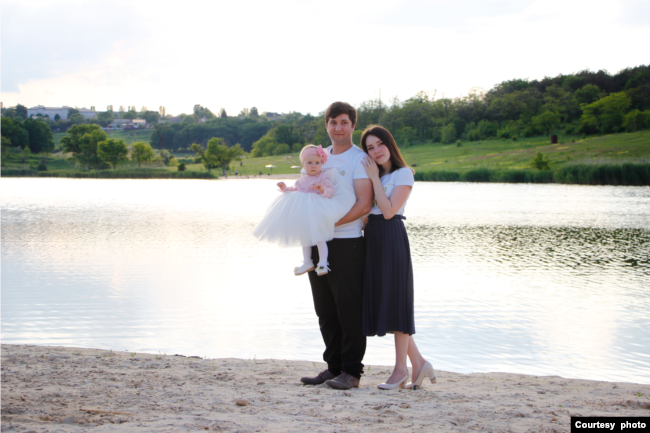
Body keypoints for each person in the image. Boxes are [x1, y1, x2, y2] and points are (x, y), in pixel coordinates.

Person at [300, 102, 372, 390]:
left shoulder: (359, 159)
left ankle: (352, 372)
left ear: (353, 125)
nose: (338, 128)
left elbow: (364, 203)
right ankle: (333, 368)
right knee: (325, 309)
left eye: (344, 122)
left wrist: (331, 223)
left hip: (347, 243)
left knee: (348, 309)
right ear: (326, 126)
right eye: (333, 122)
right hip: (319, 243)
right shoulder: (320, 156)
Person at [360, 125, 435, 390]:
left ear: (389, 144)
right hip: (373, 238)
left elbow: (390, 210)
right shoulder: (373, 174)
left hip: (392, 236)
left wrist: (373, 178)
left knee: (397, 302)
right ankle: (419, 362)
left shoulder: (404, 174)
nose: (376, 150)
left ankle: (400, 370)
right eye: (370, 147)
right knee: (387, 302)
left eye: (379, 144)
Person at [252, 145, 355, 276]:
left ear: (321, 163)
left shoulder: (323, 178)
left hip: (317, 209)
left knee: (320, 237)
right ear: (303, 164)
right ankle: (307, 262)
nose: (313, 166)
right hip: (304, 212)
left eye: (317, 163)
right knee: (304, 238)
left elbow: (330, 192)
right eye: (309, 163)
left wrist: (321, 189)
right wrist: (285, 188)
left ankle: (323, 263)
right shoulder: (302, 179)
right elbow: (296, 189)